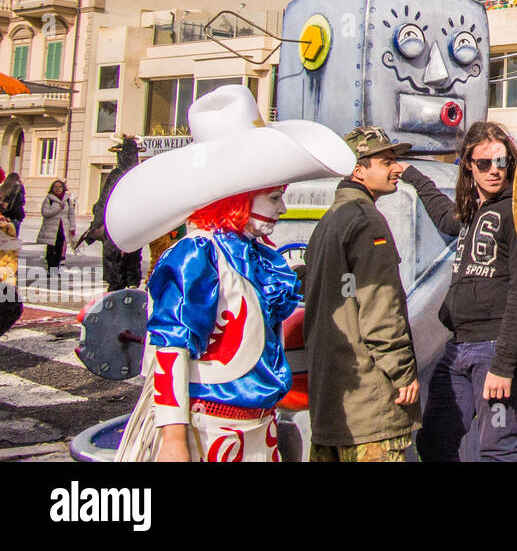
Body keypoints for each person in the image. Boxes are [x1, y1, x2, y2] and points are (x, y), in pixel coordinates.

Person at [106, 86, 353, 461]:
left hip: (260, 428)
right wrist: (174, 440)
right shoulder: (198, 254)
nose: (283, 208)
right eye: (274, 196)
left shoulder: (257, 255)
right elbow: (171, 348)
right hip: (207, 432)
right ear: (237, 197)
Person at [413, 121, 517, 462]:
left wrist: (503, 365)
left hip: (495, 348)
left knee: (499, 450)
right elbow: (446, 218)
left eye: (501, 163)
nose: (493, 171)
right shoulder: (475, 211)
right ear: (469, 165)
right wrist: (414, 176)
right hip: (458, 348)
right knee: (434, 442)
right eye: (484, 163)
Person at [303, 126, 422, 462]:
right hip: (371, 407)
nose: (398, 168)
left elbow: (338, 296)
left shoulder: (330, 220)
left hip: (333, 402)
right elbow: (379, 307)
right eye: (387, 161)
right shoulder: (366, 221)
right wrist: (402, 372)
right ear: (358, 169)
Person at [80, 137, 143, 290]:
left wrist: (96, 223)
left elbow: (104, 202)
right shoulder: (136, 174)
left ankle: (122, 286)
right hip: (128, 224)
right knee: (126, 258)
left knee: (119, 259)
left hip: (121, 223)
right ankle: (127, 285)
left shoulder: (121, 174)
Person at [37, 180, 75, 272]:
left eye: (60, 187)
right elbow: (45, 213)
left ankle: (55, 269)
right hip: (51, 228)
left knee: (59, 249)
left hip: (62, 228)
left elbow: (71, 214)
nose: (58, 189)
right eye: (55, 187)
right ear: (52, 189)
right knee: (50, 249)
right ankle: (50, 268)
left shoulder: (67, 200)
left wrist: (72, 227)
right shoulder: (49, 199)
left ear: (63, 188)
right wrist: (58, 208)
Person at [0, 172, 25, 236]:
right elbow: (21, 201)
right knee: (13, 237)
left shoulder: (3, 187)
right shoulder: (19, 187)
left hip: (3, 216)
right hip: (15, 215)